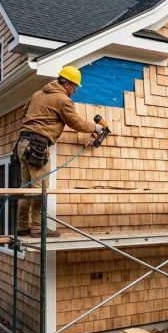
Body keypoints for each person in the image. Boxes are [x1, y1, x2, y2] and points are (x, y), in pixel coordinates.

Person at [15, 65, 104, 238]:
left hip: (22, 144)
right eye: (75, 87)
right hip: (37, 146)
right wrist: (96, 128)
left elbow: (24, 111)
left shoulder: (37, 94)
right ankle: (37, 229)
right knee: (41, 188)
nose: (76, 91)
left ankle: (22, 226)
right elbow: (76, 123)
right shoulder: (63, 100)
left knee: (26, 187)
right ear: (68, 84)